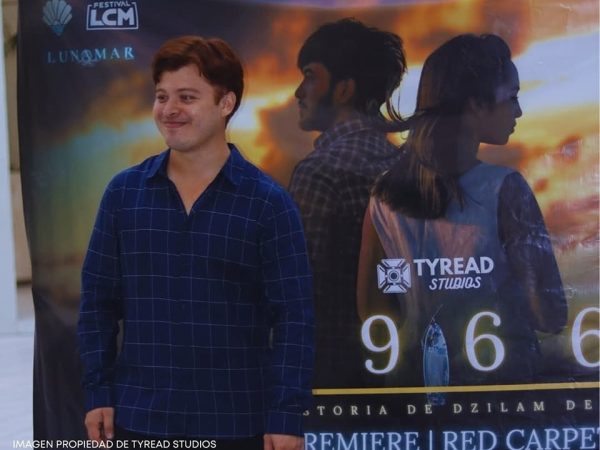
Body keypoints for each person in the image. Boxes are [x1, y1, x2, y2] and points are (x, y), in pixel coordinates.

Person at [78, 35, 314, 450]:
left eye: (186, 97)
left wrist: (286, 415)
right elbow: (97, 305)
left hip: (238, 424)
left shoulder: (268, 204)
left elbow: (295, 321)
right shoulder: (123, 194)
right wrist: (97, 392)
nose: (170, 109)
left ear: (226, 103)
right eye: (162, 96)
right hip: (139, 419)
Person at [357, 34, 567, 390]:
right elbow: (549, 314)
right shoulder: (505, 188)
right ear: (475, 103)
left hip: (419, 386)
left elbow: (377, 315)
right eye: (512, 97)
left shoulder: (384, 197)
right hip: (501, 388)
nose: (518, 111)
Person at [288, 18, 407, 388]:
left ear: (343, 89)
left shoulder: (321, 170)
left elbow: (300, 291)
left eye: (310, 76)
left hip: (334, 373)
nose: (298, 92)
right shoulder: (406, 164)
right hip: (401, 365)